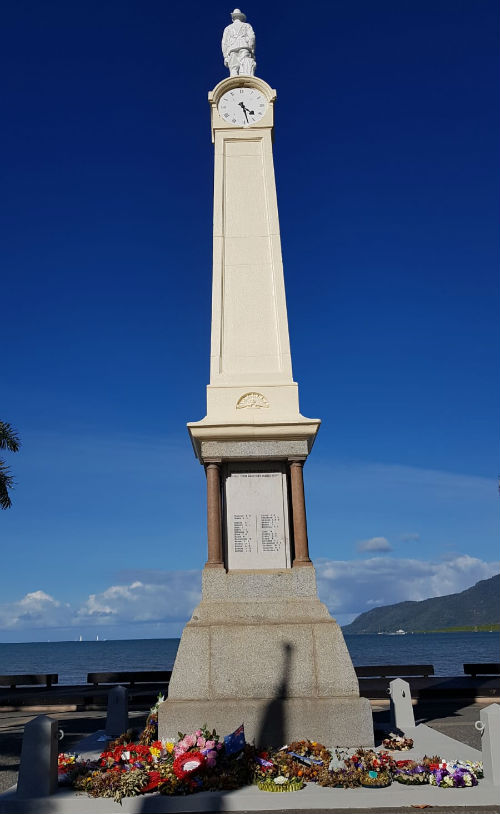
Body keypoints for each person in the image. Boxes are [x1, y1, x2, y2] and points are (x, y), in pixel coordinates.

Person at [221, 9, 256, 77]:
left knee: (233, 68)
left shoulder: (228, 28)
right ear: (242, 18)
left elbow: (224, 43)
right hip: (244, 46)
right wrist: (252, 50)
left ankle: (234, 83)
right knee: (245, 65)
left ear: (233, 18)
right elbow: (252, 37)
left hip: (231, 49)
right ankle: (246, 83)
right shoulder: (247, 26)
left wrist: (225, 56)